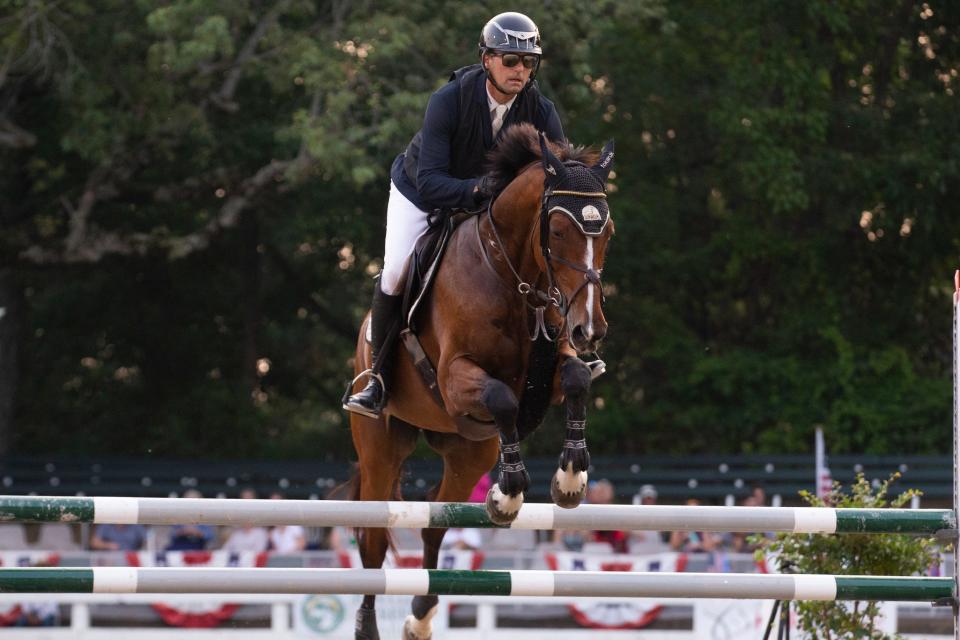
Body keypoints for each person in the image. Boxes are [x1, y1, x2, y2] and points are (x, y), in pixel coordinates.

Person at [343, 11, 565, 418]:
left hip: (490, 209)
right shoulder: (448, 100)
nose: (520, 70)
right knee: (395, 270)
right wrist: (479, 191)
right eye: (510, 60)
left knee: (549, 260)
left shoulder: (540, 109)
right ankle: (376, 378)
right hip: (423, 194)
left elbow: (557, 176)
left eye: (528, 62)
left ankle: (570, 352)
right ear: (487, 60)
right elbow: (429, 181)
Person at [221, 488, 269, 553]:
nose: (247, 500)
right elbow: (224, 551)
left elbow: (258, 554)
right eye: (244, 498)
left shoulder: (261, 533)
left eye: (249, 498)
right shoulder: (236, 534)